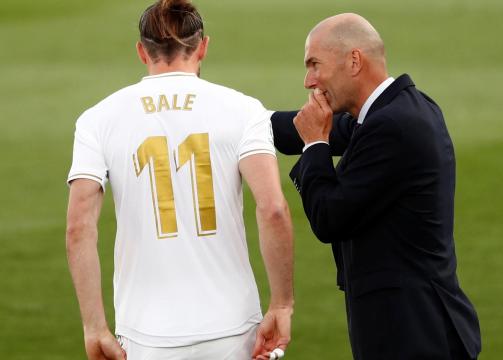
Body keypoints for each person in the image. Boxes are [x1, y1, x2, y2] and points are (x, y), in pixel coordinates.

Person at [65, 1, 293, 359]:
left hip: (145, 334)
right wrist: (282, 305)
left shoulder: (97, 118)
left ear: (142, 51)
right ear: (202, 46)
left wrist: (95, 327)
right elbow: (273, 209)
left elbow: (79, 228)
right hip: (232, 327)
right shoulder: (243, 109)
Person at [270, 13, 481, 359]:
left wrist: (315, 147)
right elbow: (302, 126)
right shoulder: (394, 111)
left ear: (354, 60)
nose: (309, 81)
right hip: (418, 327)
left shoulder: (392, 126)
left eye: (314, 65)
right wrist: (240, 119)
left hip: (413, 336)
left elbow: (329, 216)